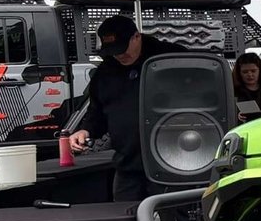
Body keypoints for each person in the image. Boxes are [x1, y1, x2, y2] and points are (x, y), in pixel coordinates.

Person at [66, 15, 185, 202]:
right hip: (128, 163)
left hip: (172, 161)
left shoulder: (173, 59)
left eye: (122, 48)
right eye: (113, 51)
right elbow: (97, 111)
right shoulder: (106, 72)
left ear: (136, 37)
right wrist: (85, 129)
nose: (120, 55)